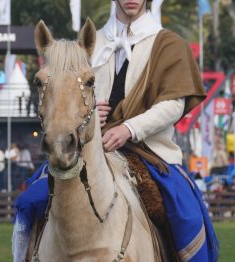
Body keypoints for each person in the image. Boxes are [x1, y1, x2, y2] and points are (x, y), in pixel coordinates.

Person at [91, 1, 218, 261]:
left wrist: (129, 128)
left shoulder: (169, 44)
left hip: (149, 150)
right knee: (33, 203)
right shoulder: (90, 41)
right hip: (92, 147)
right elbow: (70, 95)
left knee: (188, 216)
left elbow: (173, 104)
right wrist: (90, 111)